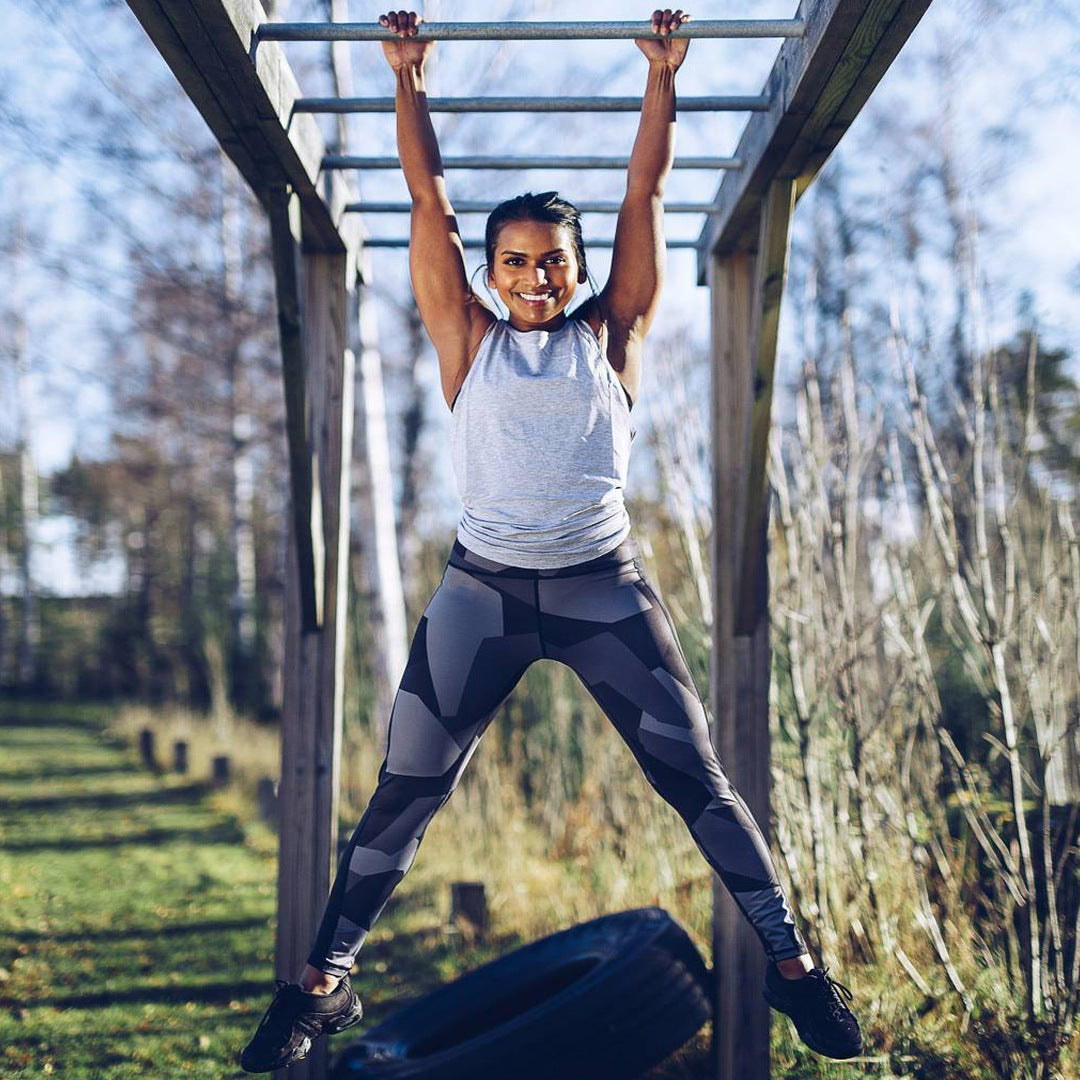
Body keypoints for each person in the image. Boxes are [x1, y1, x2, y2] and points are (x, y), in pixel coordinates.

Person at [240, 9, 862, 1072]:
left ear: (577, 272)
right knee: (406, 791)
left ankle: (796, 967)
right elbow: (426, 199)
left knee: (699, 785)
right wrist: (408, 83)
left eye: (551, 263)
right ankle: (321, 983)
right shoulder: (466, 339)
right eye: (516, 261)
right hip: (482, 597)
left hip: (600, 594)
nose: (535, 277)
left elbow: (646, 196)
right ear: (489, 273)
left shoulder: (613, 335)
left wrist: (661, 82)